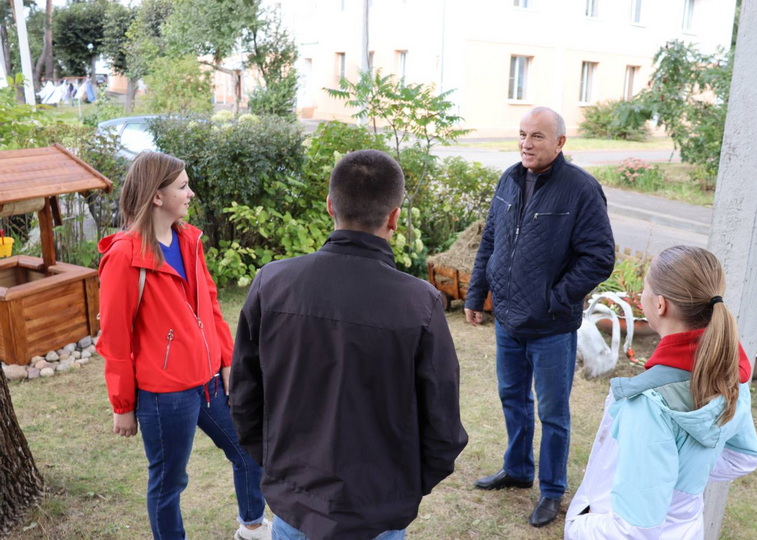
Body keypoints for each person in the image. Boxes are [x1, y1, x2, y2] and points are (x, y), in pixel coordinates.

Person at [230, 149, 469, 540]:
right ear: (394, 218)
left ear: (330, 207)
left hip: (326, 504)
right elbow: (443, 425)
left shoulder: (273, 283)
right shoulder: (419, 303)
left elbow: (241, 398)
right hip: (343, 505)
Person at [96, 151, 270, 540]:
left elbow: (209, 303)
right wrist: (122, 405)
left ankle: (253, 526)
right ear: (157, 196)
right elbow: (115, 338)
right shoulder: (124, 256)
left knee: (249, 450)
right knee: (169, 483)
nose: (190, 193)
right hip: (165, 396)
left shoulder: (188, 239)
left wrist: (226, 360)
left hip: (209, 382)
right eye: (182, 186)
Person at [465, 106, 616, 528]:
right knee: (512, 398)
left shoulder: (581, 189)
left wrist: (557, 297)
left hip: (551, 326)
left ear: (560, 143)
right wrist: (477, 294)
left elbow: (600, 256)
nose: (526, 144)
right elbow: (490, 240)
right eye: (522, 134)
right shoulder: (510, 179)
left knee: (553, 413)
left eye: (537, 137)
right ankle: (516, 470)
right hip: (508, 321)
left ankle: (551, 491)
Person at [564, 245, 757, 539]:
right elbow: (742, 456)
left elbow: (633, 531)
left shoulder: (648, 403)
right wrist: (679, 481)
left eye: (645, 288)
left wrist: (578, 525)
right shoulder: (730, 372)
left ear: (659, 304)